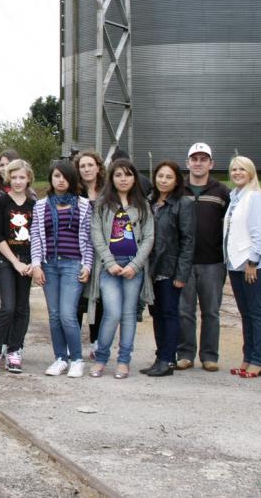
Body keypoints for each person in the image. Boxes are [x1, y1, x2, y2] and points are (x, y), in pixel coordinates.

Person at [88, 159, 154, 379]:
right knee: (112, 313)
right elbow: (96, 235)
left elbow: (149, 237)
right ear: (111, 178)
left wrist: (135, 265)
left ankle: (124, 360)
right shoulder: (102, 204)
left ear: (134, 177)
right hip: (110, 266)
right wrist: (109, 262)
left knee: (128, 315)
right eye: (118, 175)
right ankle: (101, 358)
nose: (123, 179)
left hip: (133, 267)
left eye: (127, 174)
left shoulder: (143, 205)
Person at [30, 160, 93, 378]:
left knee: (67, 314)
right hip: (49, 264)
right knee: (54, 315)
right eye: (56, 176)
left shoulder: (84, 205)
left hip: (73, 264)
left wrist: (88, 264)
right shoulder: (41, 205)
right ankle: (60, 358)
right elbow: (36, 237)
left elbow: (89, 239)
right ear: (51, 178)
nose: (60, 180)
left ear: (72, 180)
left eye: (65, 176)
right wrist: (36, 265)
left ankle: (76, 359)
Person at [177, 142, 230, 372]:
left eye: (203, 159)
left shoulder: (222, 191)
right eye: (194, 159)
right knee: (184, 311)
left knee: (211, 311)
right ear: (187, 163)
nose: (198, 163)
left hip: (213, 262)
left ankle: (209, 355)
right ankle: (185, 353)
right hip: (184, 262)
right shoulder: (179, 190)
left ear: (211, 163)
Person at [140, 161, 195, 377]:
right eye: (160, 176)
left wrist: (182, 274)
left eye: (169, 177)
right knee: (156, 314)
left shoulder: (183, 204)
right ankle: (160, 356)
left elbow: (188, 241)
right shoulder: (150, 202)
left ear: (177, 180)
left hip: (170, 269)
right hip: (151, 268)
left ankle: (168, 360)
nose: (163, 180)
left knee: (169, 313)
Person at [224, 156, 261, 379]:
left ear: (251, 172)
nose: (237, 173)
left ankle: (258, 360)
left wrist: (253, 262)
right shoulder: (234, 196)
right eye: (234, 169)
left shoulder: (254, 197)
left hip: (255, 266)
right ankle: (247, 357)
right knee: (245, 314)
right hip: (237, 265)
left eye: (242, 169)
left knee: (257, 313)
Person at [0, 159, 35, 374]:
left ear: (28, 179)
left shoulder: (34, 204)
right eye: (13, 177)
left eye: (22, 177)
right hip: (5, 259)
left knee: (22, 307)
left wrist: (33, 262)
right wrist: (15, 262)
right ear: (8, 178)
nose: (17, 181)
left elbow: (39, 235)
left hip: (28, 260)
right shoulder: (1, 202)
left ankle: (15, 349)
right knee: (8, 306)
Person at [74, 150, 106, 357]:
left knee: (100, 298)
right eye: (82, 166)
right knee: (76, 298)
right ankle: (73, 343)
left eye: (90, 165)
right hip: (78, 251)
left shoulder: (107, 192)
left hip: (103, 252)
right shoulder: (74, 193)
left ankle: (97, 343)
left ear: (98, 167)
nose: (86, 169)